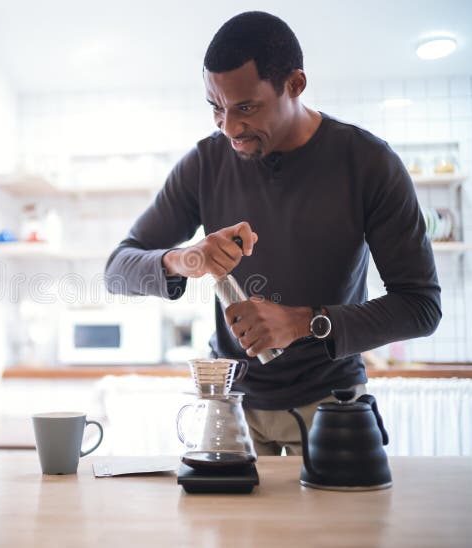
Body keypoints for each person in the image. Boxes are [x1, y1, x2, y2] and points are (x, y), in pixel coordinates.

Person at [104, 11, 441, 456]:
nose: (228, 128)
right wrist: (186, 259)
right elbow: (116, 270)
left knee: (339, 528)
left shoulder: (369, 163)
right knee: (222, 527)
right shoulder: (204, 163)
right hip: (231, 404)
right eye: (216, 108)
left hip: (332, 402)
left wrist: (303, 322)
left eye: (245, 108)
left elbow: (421, 307)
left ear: (295, 85)